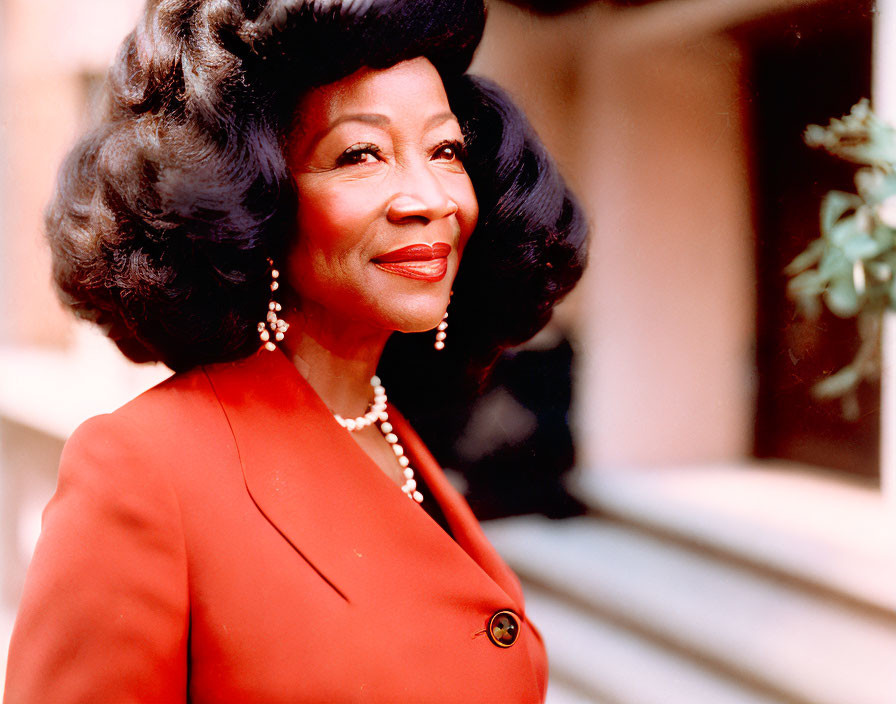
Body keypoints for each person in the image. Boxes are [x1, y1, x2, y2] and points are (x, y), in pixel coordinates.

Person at [4, 0, 587, 701]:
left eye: (445, 151)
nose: (428, 198)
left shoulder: (392, 429)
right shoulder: (143, 472)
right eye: (360, 154)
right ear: (256, 200)